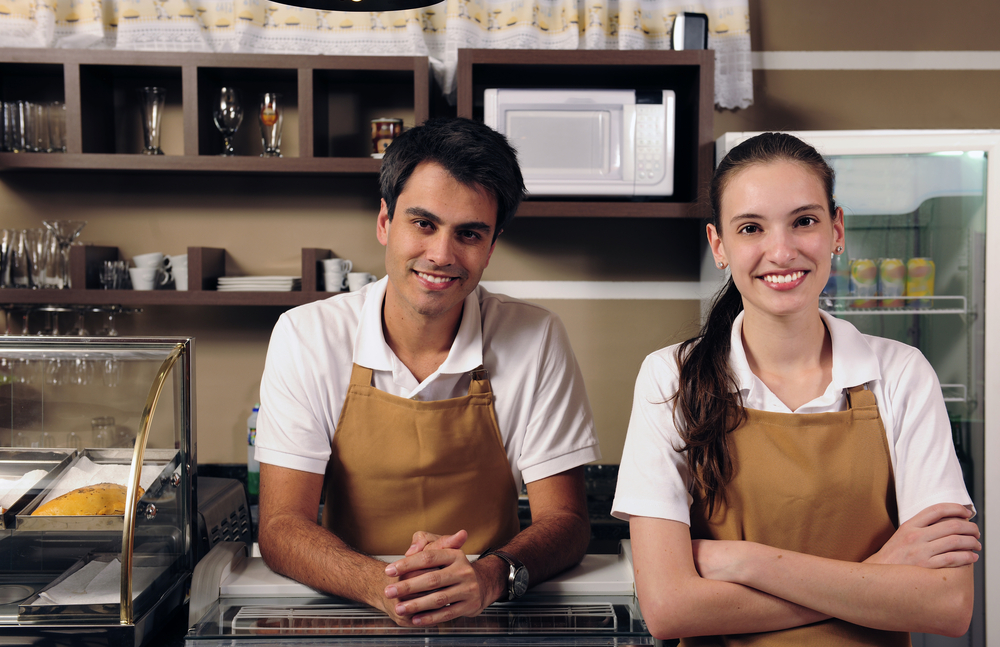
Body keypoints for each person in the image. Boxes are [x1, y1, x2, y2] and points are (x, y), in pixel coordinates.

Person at [611, 132, 980, 645]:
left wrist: (744, 560)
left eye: (804, 221)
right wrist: (876, 573)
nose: (781, 252)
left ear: (837, 230)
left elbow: (947, 603)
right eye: (751, 228)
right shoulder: (671, 377)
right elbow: (671, 610)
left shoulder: (901, 374)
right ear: (720, 246)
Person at [255, 117, 601, 628]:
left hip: (489, 610)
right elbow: (283, 525)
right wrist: (387, 586)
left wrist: (488, 577)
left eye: (469, 233)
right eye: (423, 223)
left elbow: (567, 521)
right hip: (351, 603)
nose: (441, 255)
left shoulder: (537, 338)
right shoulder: (306, 335)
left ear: (491, 245)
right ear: (384, 223)